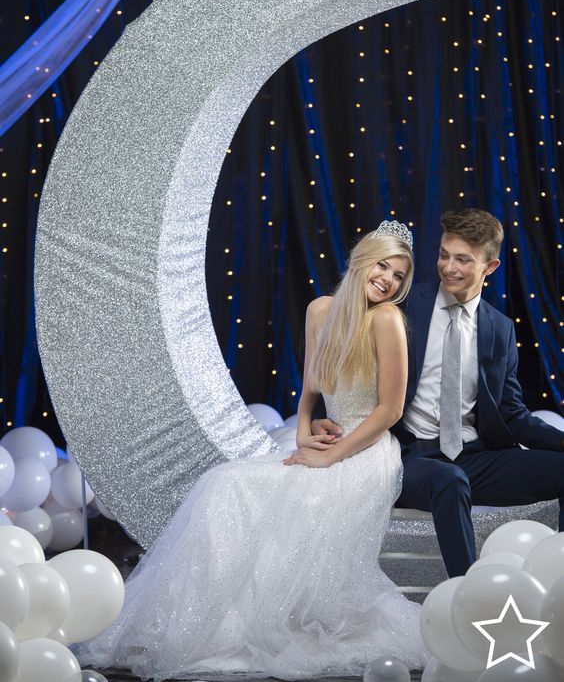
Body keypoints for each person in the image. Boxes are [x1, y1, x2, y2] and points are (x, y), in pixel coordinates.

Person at [76, 222, 429, 681]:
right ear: (362, 258)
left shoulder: (386, 319)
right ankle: (205, 622)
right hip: (332, 439)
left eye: (400, 275)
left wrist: (330, 456)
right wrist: (305, 433)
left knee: (262, 492)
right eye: (384, 265)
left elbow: (389, 409)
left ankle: (260, 621)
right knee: (223, 482)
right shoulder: (321, 310)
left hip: (366, 452)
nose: (389, 280)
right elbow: (311, 389)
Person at [314, 209, 564, 579]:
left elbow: (512, 414)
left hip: (477, 458)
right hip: (407, 457)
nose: (448, 267)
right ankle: (469, 595)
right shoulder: (399, 305)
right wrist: (326, 414)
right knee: (449, 481)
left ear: (489, 267)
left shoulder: (500, 328)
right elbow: (346, 358)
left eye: (462, 259)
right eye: (444, 254)